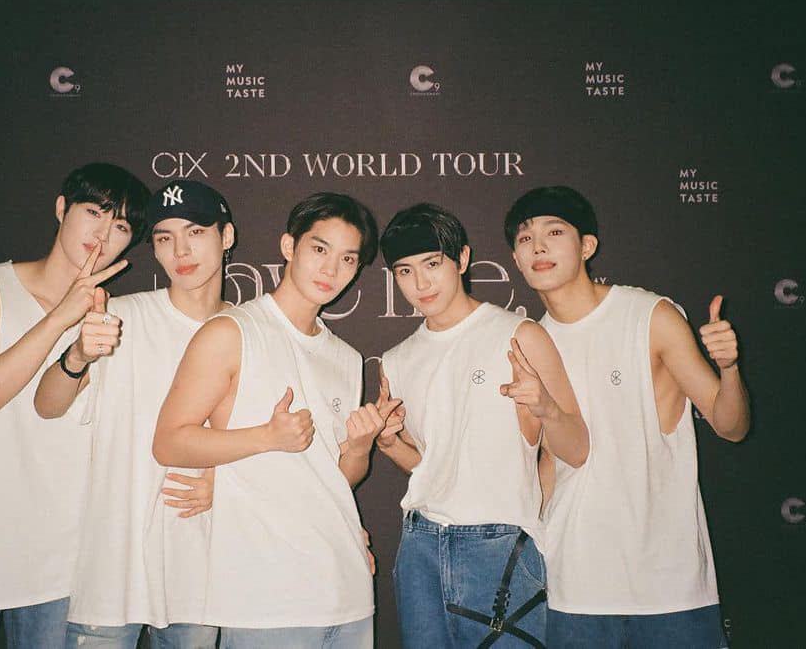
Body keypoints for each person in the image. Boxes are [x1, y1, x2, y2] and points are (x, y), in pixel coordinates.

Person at [0, 163, 150, 648]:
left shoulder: (114, 320)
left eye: (121, 226)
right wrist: (59, 318)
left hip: (61, 570)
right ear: (61, 208)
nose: (103, 233)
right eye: (94, 211)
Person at [503, 186, 749, 649]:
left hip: (669, 584)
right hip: (574, 585)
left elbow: (730, 426)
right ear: (515, 259)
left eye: (554, 232)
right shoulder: (530, 344)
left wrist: (729, 367)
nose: (538, 247)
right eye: (525, 238)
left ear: (587, 246)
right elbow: (551, 464)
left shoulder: (649, 315)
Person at [152, 192, 382, 649]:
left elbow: (337, 478)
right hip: (267, 597)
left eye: (347, 259)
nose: (331, 269)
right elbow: (169, 442)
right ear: (289, 246)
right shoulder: (232, 331)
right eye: (320, 249)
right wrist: (266, 436)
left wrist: (360, 448)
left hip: (348, 588)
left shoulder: (347, 358)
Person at [375, 202, 588, 648]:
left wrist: (547, 408)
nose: (421, 283)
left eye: (432, 264)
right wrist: (391, 444)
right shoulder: (396, 361)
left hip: (500, 544)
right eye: (405, 271)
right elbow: (433, 466)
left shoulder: (520, 336)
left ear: (462, 259)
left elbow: (576, 448)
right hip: (420, 545)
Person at [34, 180, 236, 648]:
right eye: (165, 238)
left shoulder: (249, 330)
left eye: (195, 232)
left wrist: (226, 482)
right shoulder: (123, 316)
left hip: (199, 578)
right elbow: (47, 405)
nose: (180, 251)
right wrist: (78, 355)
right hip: (110, 574)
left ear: (226, 236)